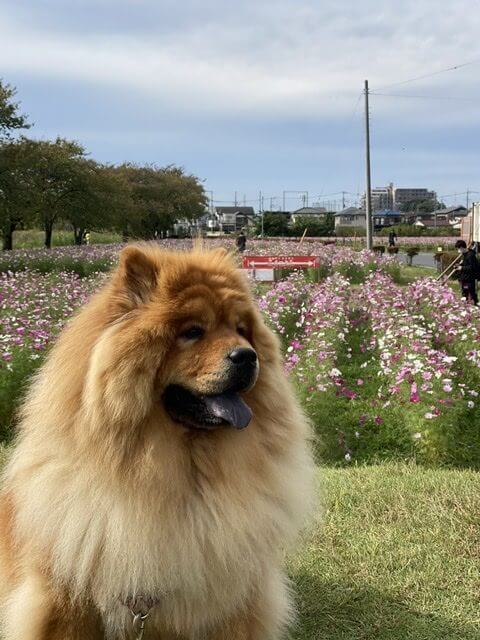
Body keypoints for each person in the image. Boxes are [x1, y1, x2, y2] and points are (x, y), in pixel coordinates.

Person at [455, 239, 478, 305]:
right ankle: (466, 304)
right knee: (465, 291)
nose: (458, 251)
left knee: (471, 292)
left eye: (458, 249)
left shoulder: (470, 255)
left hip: (469, 278)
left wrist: (461, 268)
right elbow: (466, 264)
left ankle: (476, 304)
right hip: (465, 279)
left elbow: (472, 267)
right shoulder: (465, 254)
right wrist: (459, 265)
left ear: (462, 247)